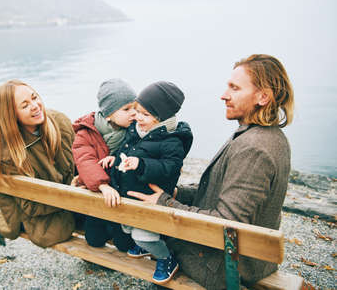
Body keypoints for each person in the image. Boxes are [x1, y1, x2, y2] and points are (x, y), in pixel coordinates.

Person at [128, 54, 294, 289]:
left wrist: (165, 203)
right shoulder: (260, 135)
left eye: (234, 88)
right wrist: (176, 193)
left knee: (149, 238)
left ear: (263, 97)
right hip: (235, 254)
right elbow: (221, 193)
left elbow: (226, 225)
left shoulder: (255, 149)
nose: (223, 95)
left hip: (227, 266)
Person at [102, 81, 193, 285]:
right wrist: (114, 159)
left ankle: (166, 258)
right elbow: (125, 150)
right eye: (136, 111)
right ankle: (144, 246)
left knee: (144, 236)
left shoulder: (172, 141)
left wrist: (142, 165)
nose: (137, 117)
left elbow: (169, 169)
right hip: (129, 193)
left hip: (151, 200)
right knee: (128, 229)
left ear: (160, 117)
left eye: (144, 114)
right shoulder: (137, 130)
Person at [0, 79, 76, 248]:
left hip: (74, 198)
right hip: (48, 211)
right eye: (25, 105)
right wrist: (72, 192)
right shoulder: (7, 155)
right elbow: (32, 207)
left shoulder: (59, 121)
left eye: (35, 97)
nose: (35, 106)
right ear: (11, 115)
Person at [71, 79, 136, 252]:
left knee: (124, 244)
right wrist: (102, 185)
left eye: (135, 107)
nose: (134, 113)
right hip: (98, 194)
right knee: (94, 239)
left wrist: (117, 158)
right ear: (108, 114)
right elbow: (85, 161)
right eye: (126, 109)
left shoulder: (134, 130)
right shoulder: (86, 133)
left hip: (122, 195)